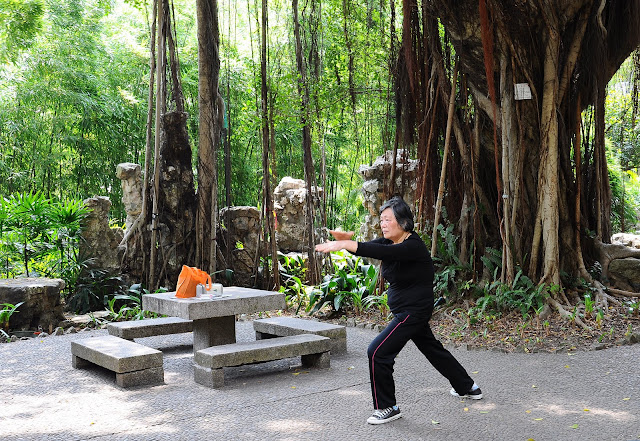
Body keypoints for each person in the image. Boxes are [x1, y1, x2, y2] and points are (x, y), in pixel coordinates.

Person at [315, 196, 482, 425]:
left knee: (377, 352)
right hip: (409, 310)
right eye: (381, 220)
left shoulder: (412, 245)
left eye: (387, 219)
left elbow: (382, 253)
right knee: (432, 349)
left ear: (403, 222)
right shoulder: (389, 243)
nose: (382, 224)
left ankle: (388, 407)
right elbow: (370, 248)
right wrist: (347, 240)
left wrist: (345, 245)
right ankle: (467, 386)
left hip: (412, 312)